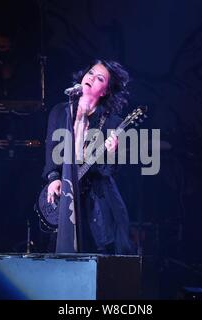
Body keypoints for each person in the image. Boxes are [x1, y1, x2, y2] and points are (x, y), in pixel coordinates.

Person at [42, 59, 135, 255]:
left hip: (97, 203)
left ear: (105, 91)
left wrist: (111, 152)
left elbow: (110, 172)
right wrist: (53, 178)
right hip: (65, 197)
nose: (91, 78)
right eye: (91, 73)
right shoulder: (60, 112)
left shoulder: (112, 123)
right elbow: (51, 149)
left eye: (99, 78)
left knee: (94, 258)